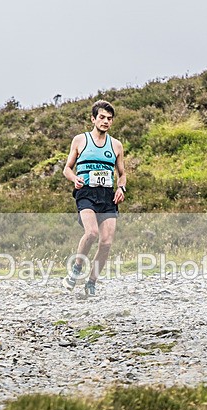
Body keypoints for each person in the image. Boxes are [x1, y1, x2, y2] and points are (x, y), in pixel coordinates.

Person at [61, 100, 127, 296]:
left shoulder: (116, 145)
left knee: (106, 243)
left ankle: (91, 282)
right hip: (86, 193)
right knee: (91, 233)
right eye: (102, 117)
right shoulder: (80, 140)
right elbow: (67, 168)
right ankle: (76, 270)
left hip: (107, 195)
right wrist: (74, 178)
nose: (106, 121)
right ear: (93, 119)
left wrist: (121, 188)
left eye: (109, 119)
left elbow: (122, 173)